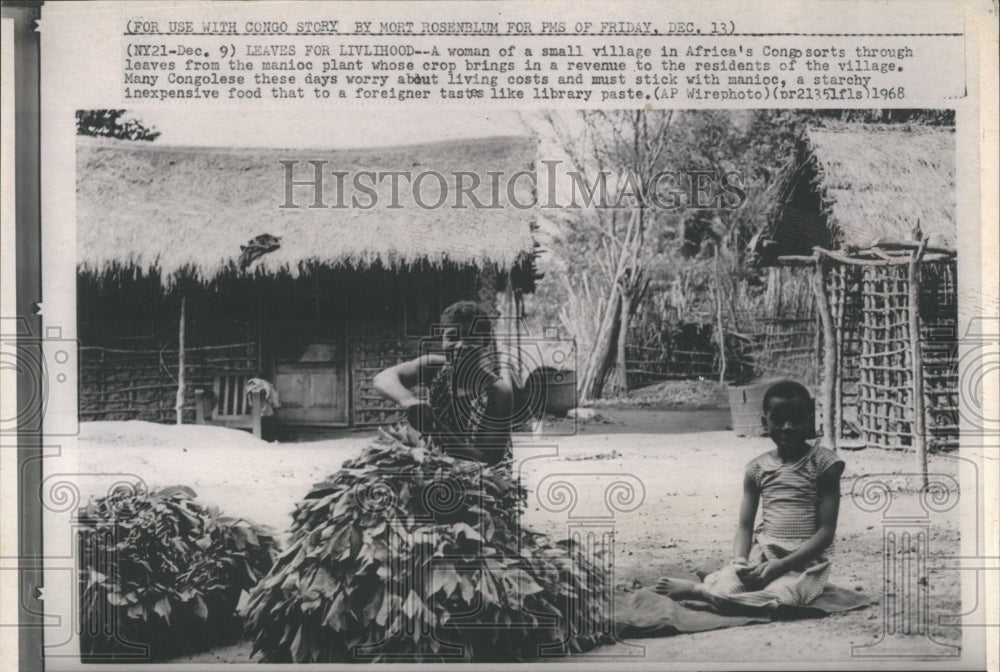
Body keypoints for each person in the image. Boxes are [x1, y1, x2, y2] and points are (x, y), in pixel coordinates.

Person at [243, 301, 606, 662]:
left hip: (477, 490)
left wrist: (439, 435)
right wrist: (407, 399)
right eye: (451, 338)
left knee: (435, 559)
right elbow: (383, 378)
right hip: (427, 472)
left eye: (467, 340)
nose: (456, 347)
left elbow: (489, 462)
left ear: (483, 345)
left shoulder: (498, 390)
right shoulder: (436, 369)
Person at [655, 380, 845, 610]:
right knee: (732, 583)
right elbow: (745, 526)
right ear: (765, 423)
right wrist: (740, 562)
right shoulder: (757, 468)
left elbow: (826, 532)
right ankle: (720, 586)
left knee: (782, 600)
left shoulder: (825, 464)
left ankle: (702, 591)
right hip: (762, 555)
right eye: (779, 419)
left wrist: (782, 565)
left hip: (802, 563)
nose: (788, 427)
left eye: (796, 419)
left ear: (809, 420)